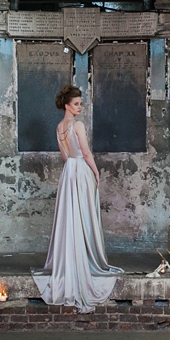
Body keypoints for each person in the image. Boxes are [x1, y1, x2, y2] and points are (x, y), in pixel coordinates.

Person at [32, 84, 123, 312]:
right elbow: (85, 152)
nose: (80, 107)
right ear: (67, 105)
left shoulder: (59, 127)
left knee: (70, 217)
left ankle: (70, 261)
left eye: (81, 103)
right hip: (81, 170)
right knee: (82, 216)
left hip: (68, 172)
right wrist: (96, 171)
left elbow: (65, 156)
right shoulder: (78, 125)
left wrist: (74, 165)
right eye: (76, 104)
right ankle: (83, 263)